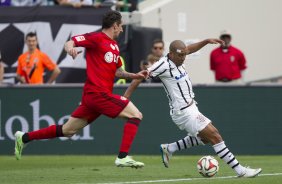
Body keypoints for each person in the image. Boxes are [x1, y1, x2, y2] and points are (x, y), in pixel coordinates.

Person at [14, 10, 148, 168]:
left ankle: (23, 138)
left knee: (68, 130)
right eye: (121, 26)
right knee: (136, 115)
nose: (122, 29)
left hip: (94, 97)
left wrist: (136, 75)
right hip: (98, 94)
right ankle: (122, 157)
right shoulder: (96, 38)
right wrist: (70, 49)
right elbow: (70, 42)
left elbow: (118, 72)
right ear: (114, 25)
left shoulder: (114, 46)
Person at [124, 39, 262, 177]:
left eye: (184, 55)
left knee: (205, 138)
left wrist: (206, 41)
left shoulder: (180, 55)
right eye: (180, 55)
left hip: (191, 107)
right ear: (171, 54)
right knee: (215, 136)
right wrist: (126, 97)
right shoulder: (163, 65)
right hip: (183, 111)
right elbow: (139, 77)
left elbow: (190, 48)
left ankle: (170, 148)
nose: (183, 58)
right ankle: (241, 171)